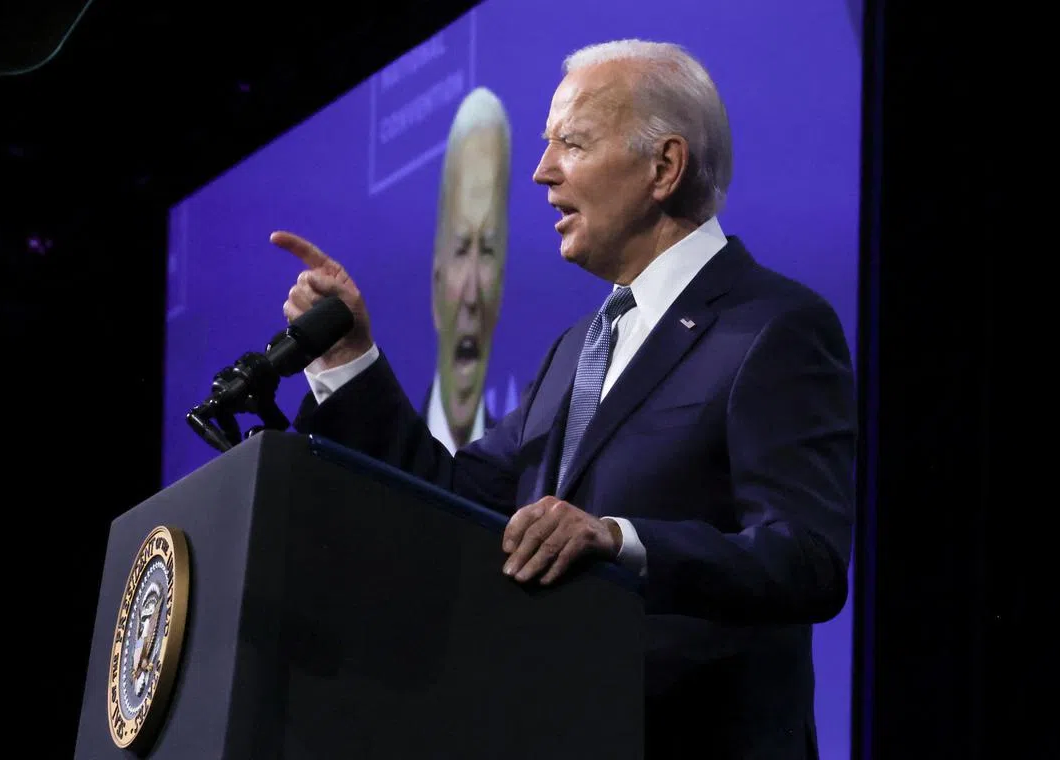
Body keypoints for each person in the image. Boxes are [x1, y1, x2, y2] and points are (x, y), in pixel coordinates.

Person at [273, 39, 856, 760]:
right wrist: (348, 360)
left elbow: (807, 558)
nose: (542, 172)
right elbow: (451, 499)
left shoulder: (771, 326)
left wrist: (620, 541)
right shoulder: (576, 351)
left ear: (664, 168)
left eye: (571, 144)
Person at [298, 86, 511, 454]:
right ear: (436, 283)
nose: (472, 295)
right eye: (462, 249)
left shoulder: (524, 465)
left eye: (488, 250)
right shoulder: (383, 446)